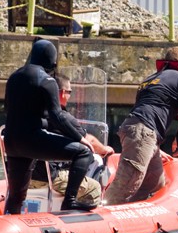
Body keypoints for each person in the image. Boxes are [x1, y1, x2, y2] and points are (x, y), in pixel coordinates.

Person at [3, 39, 95, 213]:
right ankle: (70, 201)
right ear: (52, 60)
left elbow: (8, 109)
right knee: (82, 152)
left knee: (16, 197)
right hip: (31, 141)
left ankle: (10, 221)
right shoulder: (47, 80)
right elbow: (57, 116)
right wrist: (80, 138)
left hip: (11, 142)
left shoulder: (14, 77)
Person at [103, 46, 178, 205]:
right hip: (143, 132)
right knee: (127, 182)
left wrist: (155, 149)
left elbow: (148, 109)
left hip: (136, 129)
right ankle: (101, 211)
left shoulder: (149, 80)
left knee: (155, 182)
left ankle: (133, 214)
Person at [29, 74, 114, 204]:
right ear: (62, 93)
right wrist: (104, 149)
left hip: (27, 174)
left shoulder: (33, 115)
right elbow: (89, 141)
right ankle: (74, 212)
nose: (69, 96)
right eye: (69, 92)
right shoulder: (62, 118)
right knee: (94, 188)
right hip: (50, 177)